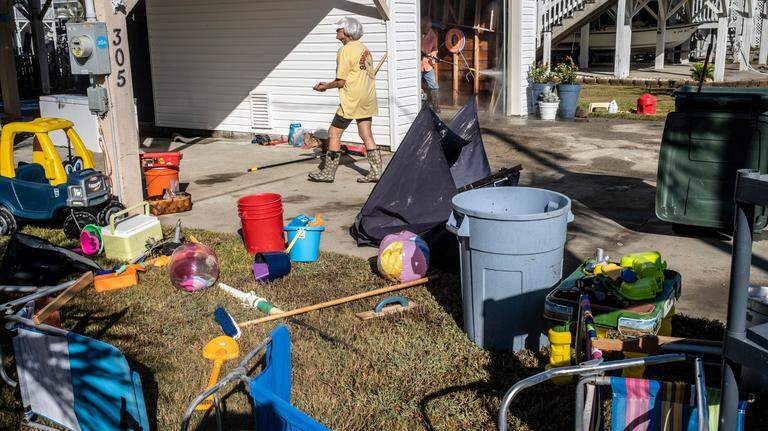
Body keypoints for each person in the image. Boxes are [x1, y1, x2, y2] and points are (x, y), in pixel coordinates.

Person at [310, 17, 381, 183]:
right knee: (366, 134)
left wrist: (325, 86)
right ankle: (376, 173)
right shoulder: (365, 49)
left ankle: (327, 174)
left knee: (333, 133)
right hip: (367, 97)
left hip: (352, 100)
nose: (336, 31)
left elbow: (341, 81)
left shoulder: (345, 50)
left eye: (339, 29)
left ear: (347, 31)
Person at [421, 16, 440, 112]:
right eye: (425, 27)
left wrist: (433, 55)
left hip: (428, 64)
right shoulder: (416, 33)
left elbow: (435, 49)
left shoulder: (432, 35)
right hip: (417, 65)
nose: (427, 29)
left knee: (433, 85)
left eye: (428, 27)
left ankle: (436, 106)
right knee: (417, 86)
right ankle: (420, 107)